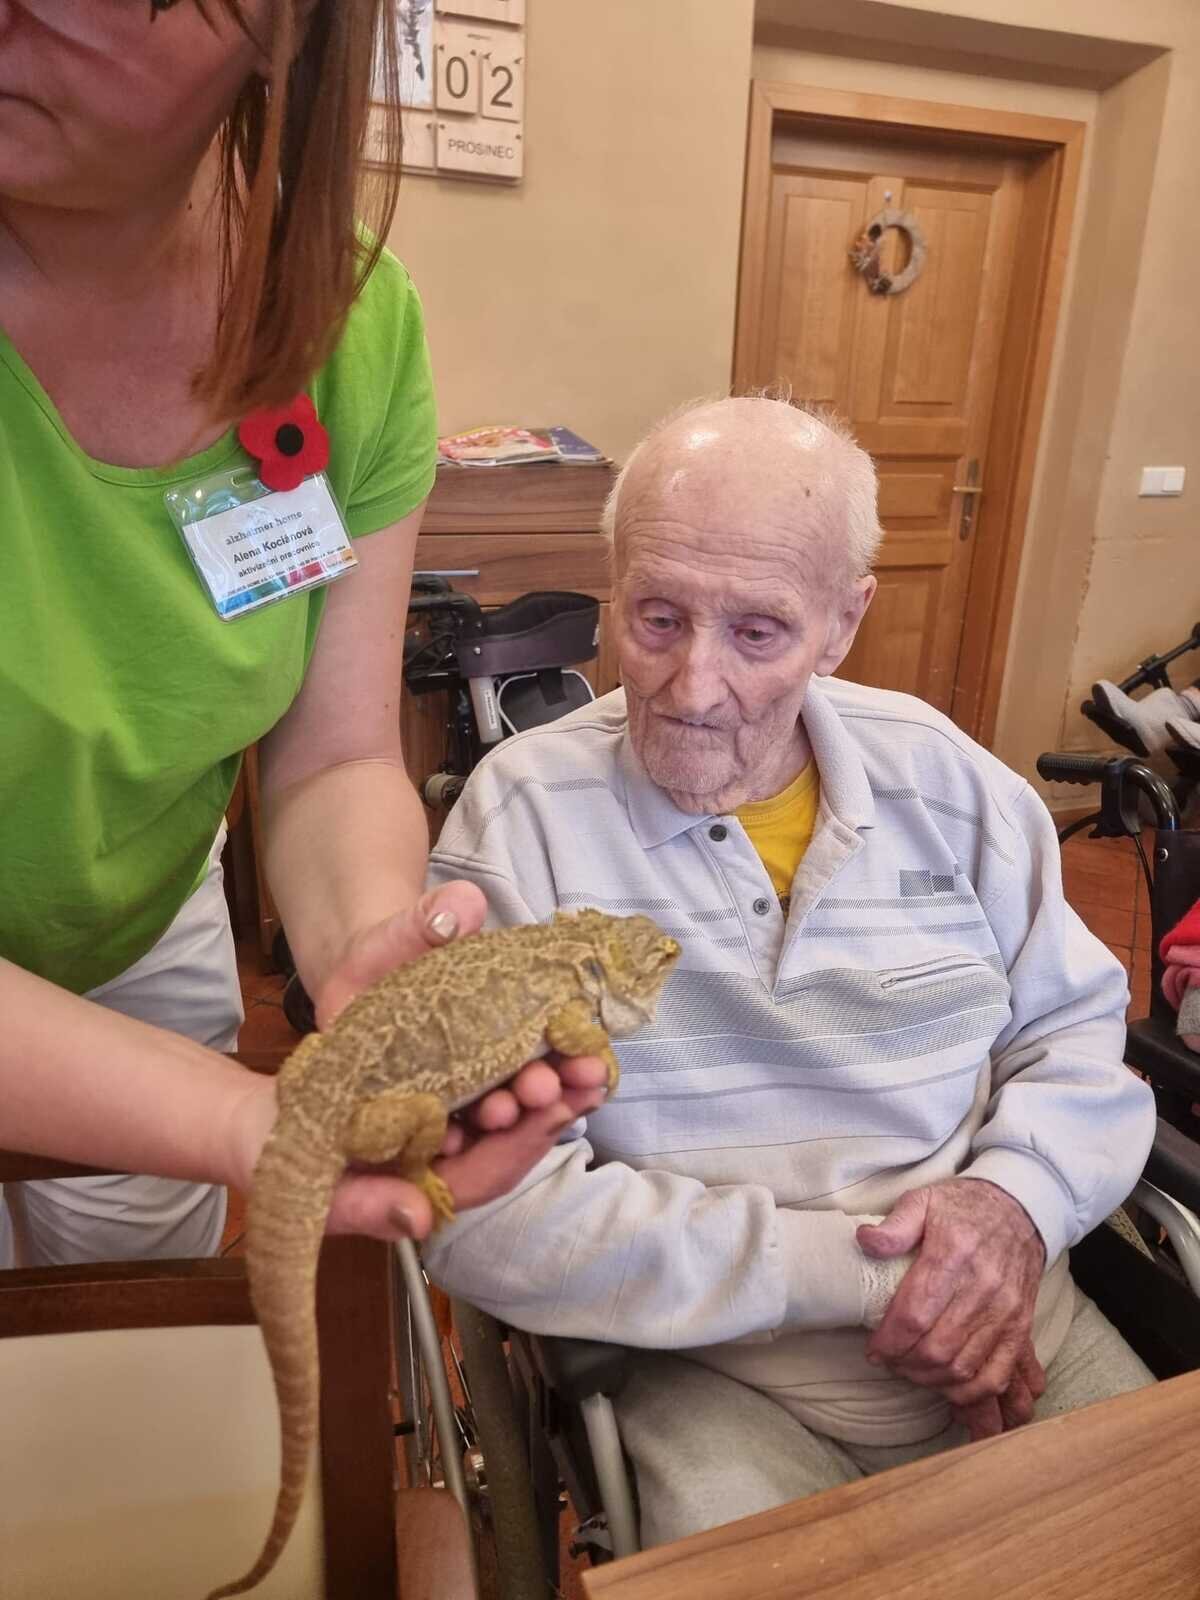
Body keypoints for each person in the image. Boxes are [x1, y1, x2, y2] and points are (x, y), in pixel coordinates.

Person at [422, 396, 1158, 1546]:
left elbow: (1072, 1036)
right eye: (657, 619)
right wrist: (870, 1276)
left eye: (758, 633)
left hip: (1016, 1319)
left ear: (842, 622)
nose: (692, 684)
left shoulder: (952, 785)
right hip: (722, 1377)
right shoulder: (523, 823)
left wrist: (1013, 1204)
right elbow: (484, 1209)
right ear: (614, 590)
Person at [0, 0, 604, 1268]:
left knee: (121, 1340)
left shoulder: (352, 322)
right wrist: (242, 1119)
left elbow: (333, 755)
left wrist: (373, 948)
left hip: (139, 925)